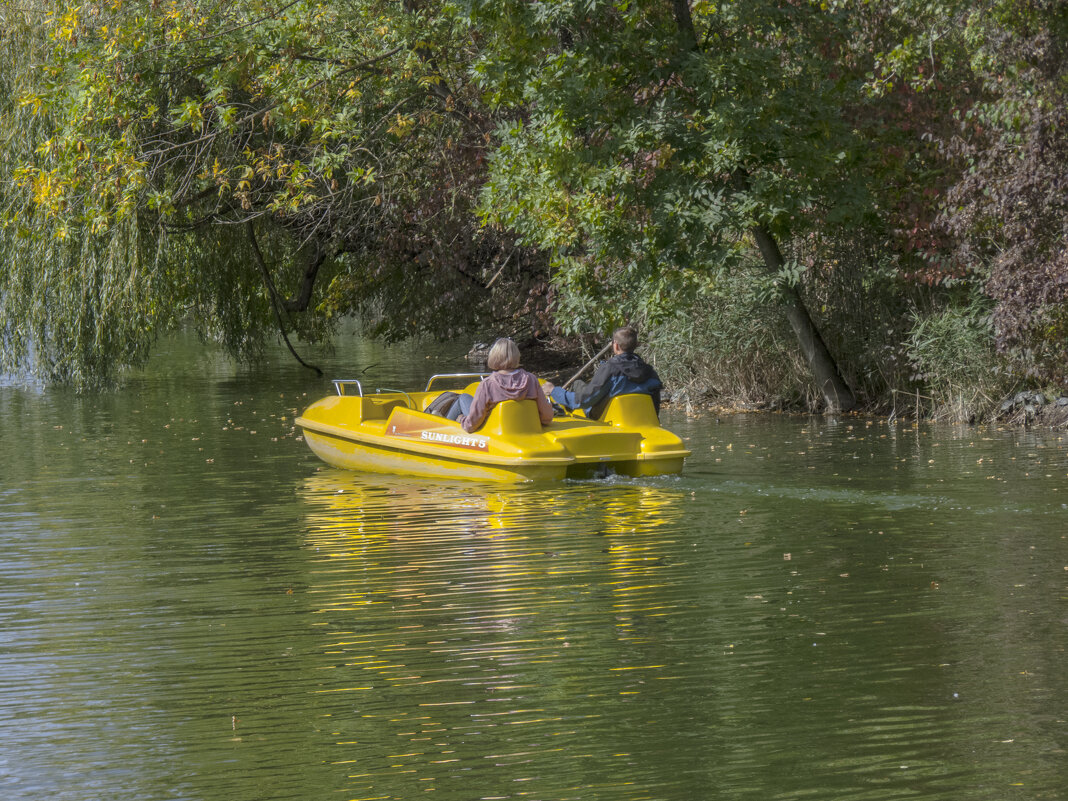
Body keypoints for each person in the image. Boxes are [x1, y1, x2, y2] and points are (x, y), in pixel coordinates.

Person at [542, 327, 662, 419]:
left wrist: (554, 391)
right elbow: (655, 405)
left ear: (615, 345)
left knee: (577, 384)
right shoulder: (650, 371)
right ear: (636, 345)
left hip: (602, 416)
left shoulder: (610, 368)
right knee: (580, 384)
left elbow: (585, 400)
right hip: (639, 419)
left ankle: (562, 410)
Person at [446, 338, 554, 433]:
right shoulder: (532, 380)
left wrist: (462, 420)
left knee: (463, 398)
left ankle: (442, 427)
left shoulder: (487, 384)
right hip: (526, 430)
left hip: (493, 431)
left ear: (494, 357)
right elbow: (547, 417)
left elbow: (472, 424)